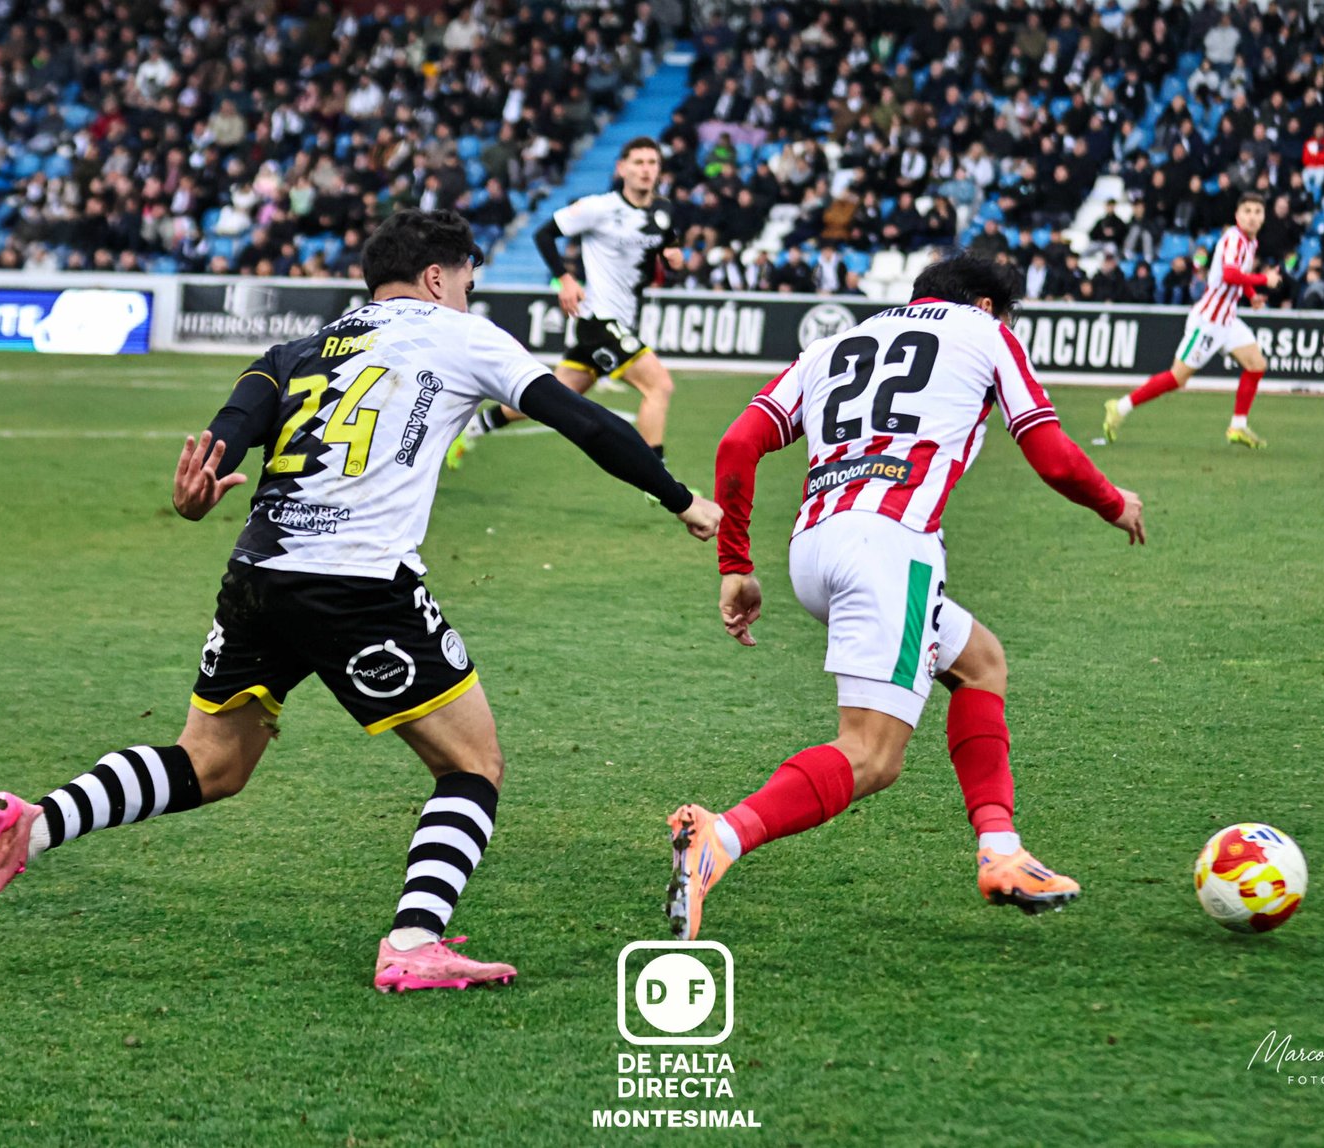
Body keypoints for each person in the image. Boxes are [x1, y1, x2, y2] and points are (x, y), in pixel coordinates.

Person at [0, 210, 723, 991]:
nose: (467, 296)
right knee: (472, 765)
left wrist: (193, 497)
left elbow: (228, 433)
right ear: (437, 277)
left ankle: (36, 825)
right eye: (468, 283)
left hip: (257, 574)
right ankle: (415, 940)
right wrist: (677, 495)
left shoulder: (298, 349)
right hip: (356, 583)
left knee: (210, 763)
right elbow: (582, 419)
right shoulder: (461, 333)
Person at [664, 253, 1146, 940]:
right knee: (871, 755)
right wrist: (1112, 502)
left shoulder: (831, 345)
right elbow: (1048, 448)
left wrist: (735, 563)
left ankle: (1002, 852)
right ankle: (722, 838)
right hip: (890, 547)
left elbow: (740, 441)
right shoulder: (984, 334)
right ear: (985, 306)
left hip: (816, 547)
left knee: (980, 661)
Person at [450, 137, 683, 476]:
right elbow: (543, 234)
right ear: (622, 169)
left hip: (623, 321)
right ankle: (658, 479)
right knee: (659, 386)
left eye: (652, 163)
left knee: (550, 400)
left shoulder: (662, 210)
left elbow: (668, 244)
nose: (646, 170)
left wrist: (674, 257)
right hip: (599, 320)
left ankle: (476, 425)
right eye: (638, 163)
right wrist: (565, 279)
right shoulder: (599, 208)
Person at [1103, 192, 1280, 449]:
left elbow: (1240, 275)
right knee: (1178, 378)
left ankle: (1238, 426)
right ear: (1237, 215)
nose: (1253, 217)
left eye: (1257, 212)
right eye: (1248, 211)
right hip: (1208, 321)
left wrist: (1252, 295)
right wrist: (1264, 281)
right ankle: (1119, 407)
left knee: (1256, 365)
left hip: (1228, 319)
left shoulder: (1250, 243)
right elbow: (1230, 274)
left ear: (1264, 217)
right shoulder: (1234, 239)